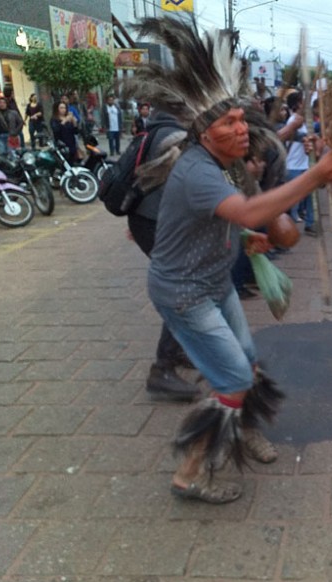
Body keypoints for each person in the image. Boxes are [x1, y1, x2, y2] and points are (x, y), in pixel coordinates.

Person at [125, 17, 332, 503]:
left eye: (243, 119)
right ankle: (190, 471)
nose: (242, 128)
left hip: (213, 282)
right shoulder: (197, 170)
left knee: (245, 360)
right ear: (205, 132)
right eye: (230, 123)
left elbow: (258, 221)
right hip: (184, 294)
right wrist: (311, 180)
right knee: (232, 376)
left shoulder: (225, 166)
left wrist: (246, 233)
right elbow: (247, 208)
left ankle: (243, 427)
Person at [125, 112, 201, 402]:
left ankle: (177, 351)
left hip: (147, 218)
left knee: (184, 285)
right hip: (157, 221)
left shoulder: (154, 130)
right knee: (182, 289)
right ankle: (163, 368)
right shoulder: (175, 135)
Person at [279, 91, 315, 233]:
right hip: (293, 165)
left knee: (310, 197)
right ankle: (288, 229)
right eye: (304, 101)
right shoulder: (293, 122)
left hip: (304, 165)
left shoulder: (303, 120)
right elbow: (297, 136)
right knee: (292, 201)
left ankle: (310, 223)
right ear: (299, 104)